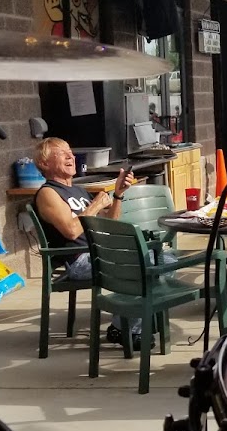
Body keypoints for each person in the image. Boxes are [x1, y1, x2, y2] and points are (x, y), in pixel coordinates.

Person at [32, 138, 143, 349]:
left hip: (101, 254)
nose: (70, 156)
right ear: (44, 163)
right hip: (79, 260)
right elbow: (72, 231)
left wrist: (118, 195)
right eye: (62, 153)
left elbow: (109, 223)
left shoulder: (80, 191)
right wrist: (95, 204)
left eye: (70, 152)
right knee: (138, 266)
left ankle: (122, 325)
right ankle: (130, 330)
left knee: (162, 259)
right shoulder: (48, 193)